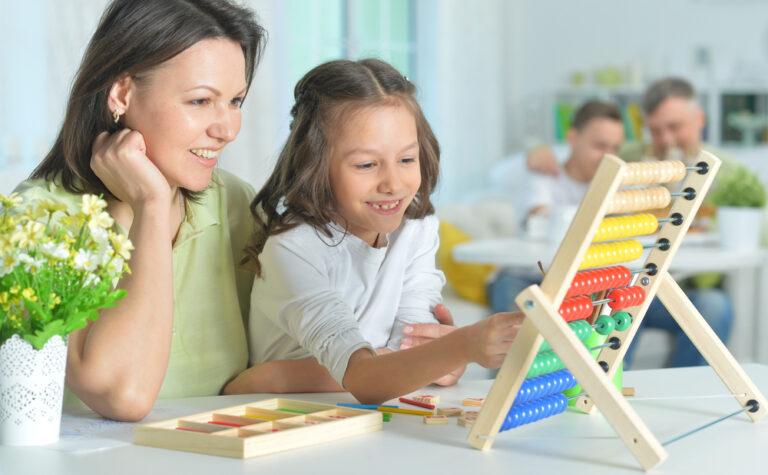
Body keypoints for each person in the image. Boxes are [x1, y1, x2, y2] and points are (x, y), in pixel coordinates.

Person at [12, 0, 267, 421]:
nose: (227, 129)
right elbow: (122, 395)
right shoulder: (35, 221)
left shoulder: (237, 205)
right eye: (201, 101)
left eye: (236, 100)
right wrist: (146, 206)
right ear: (121, 93)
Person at [223, 59, 523, 402]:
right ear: (315, 166)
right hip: (285, 420)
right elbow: (366, 379)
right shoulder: (294, 250)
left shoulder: (417, 228)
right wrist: (453, 350)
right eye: (366, 165)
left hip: (371, 419)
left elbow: (411, 345)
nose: (393, 184)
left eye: (407, 160)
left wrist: (435, 357)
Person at [523, 78, 734, 368]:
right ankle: (611, 388)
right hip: (627, 277)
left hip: (683, 278)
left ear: (699, 119)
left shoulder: (730, 171)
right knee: (621, 302)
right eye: (655, 130)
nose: (665, 140)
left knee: (714, 305)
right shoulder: (630, 159)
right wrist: (535, 149)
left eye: (674, 127)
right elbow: (573, 155)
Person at [487, 100, 625, 314]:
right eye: (599, 146)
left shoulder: (615, 186)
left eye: (615, 148)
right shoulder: (545, 173)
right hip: (528, 276)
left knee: (619, 309)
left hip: (580, 280)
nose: (609, 157)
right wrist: (534, 152)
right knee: (515, 321)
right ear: (573, 138)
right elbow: (538, 214)